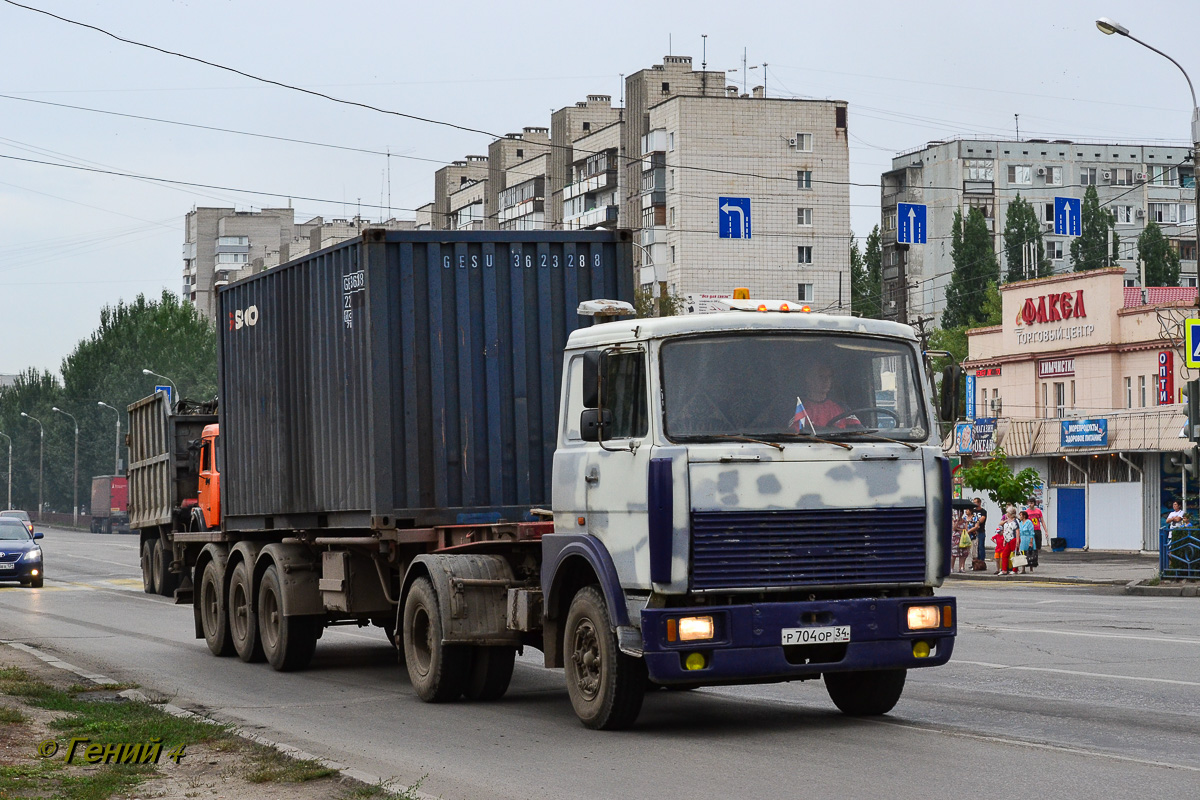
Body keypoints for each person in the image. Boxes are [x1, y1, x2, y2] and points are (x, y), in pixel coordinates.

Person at [790, 359, 860, 432]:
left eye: (829, 377)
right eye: (821, 377)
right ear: (809, 379)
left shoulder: (842, 407)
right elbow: (794, 435)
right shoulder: (800, 408)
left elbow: (860, 432)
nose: (826, 381)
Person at [997, 506, 1020, 575]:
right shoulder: (1007, 521)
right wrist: (1005, 540)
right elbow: (1005, 530)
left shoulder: (1016, 521)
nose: (1006, 514)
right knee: (1005, 554)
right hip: (1008, 540)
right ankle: (1004, 569)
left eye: (1007, 512)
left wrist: (1017, 541)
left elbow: (1017, 531)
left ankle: (1015, 569)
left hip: (1014, 539)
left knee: (1014, 554)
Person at [1017, 510, 1036, 575]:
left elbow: (1031, 532)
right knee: (1023, 554)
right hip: (1022, 539)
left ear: (1024, 516)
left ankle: (1031, 568)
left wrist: (1031, 541)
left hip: (1028, 538)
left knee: (1030, 553)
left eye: (1020, 515)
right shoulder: (1020, 523)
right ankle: (1023, 569)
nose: (1020, 516)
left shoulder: (1029, 522)